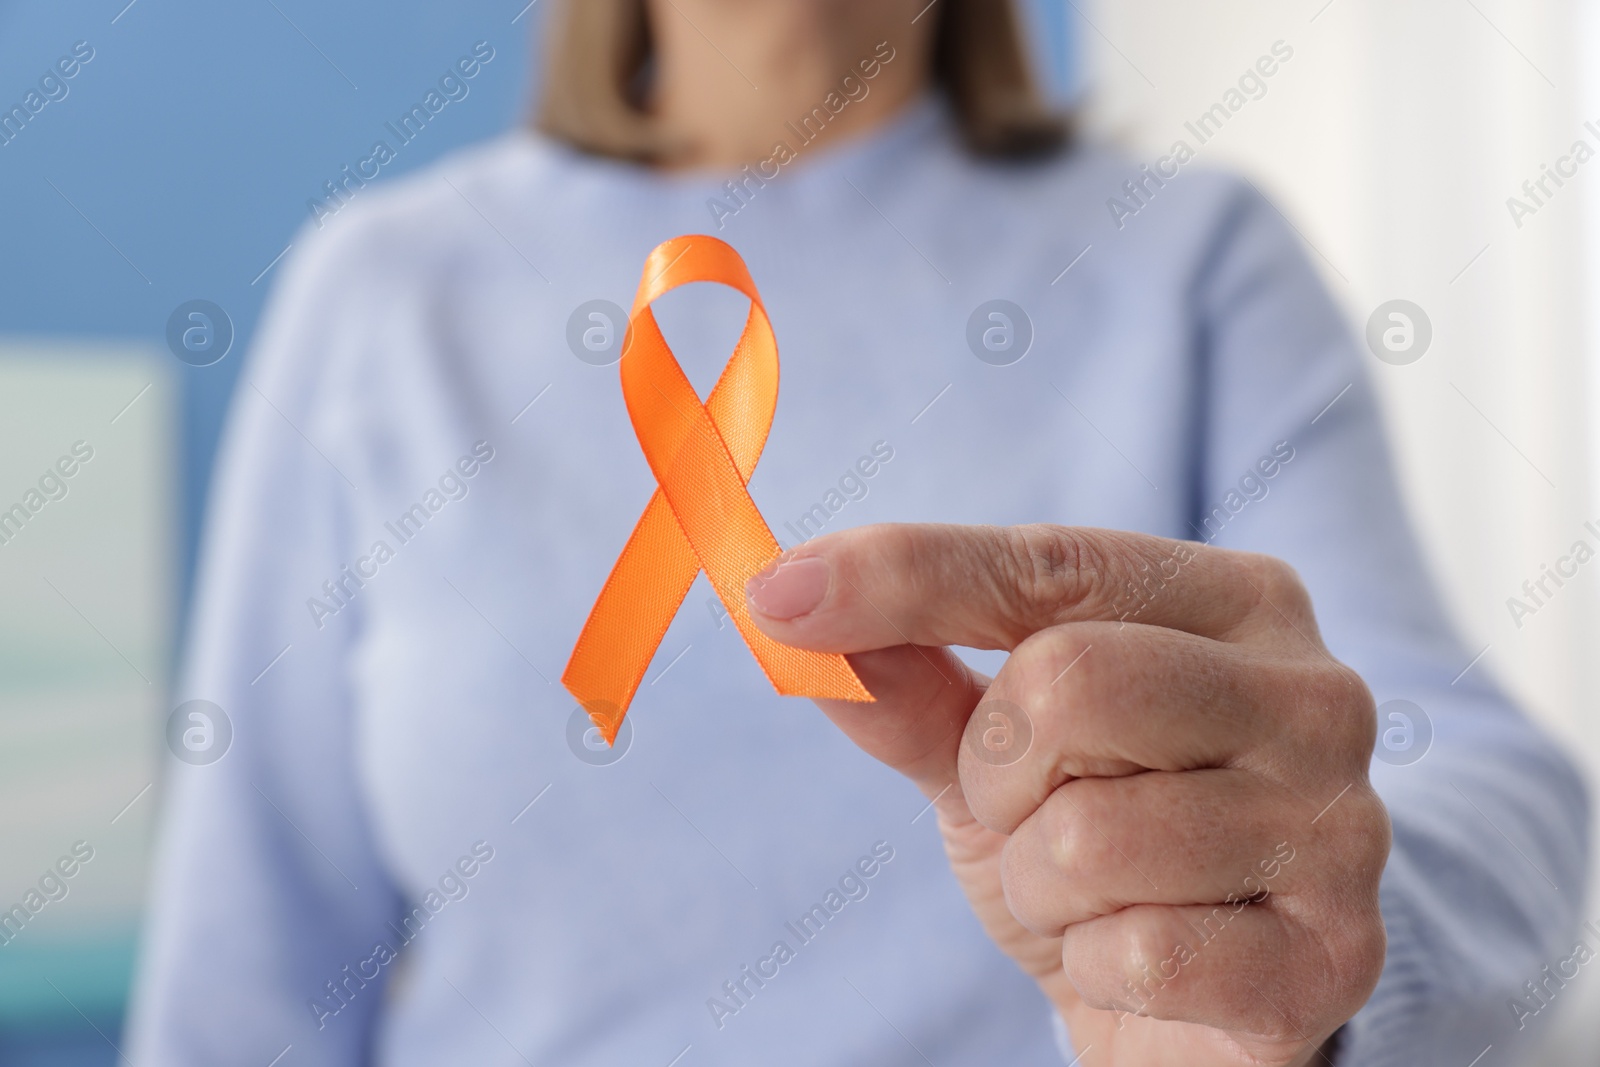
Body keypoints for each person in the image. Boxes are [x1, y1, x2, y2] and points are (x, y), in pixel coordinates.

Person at [127, 1, 1589, 1064]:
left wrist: (1297, 951)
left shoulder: (1192, 260)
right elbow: (240, 991)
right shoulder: (380, 296)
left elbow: (1492, 798)